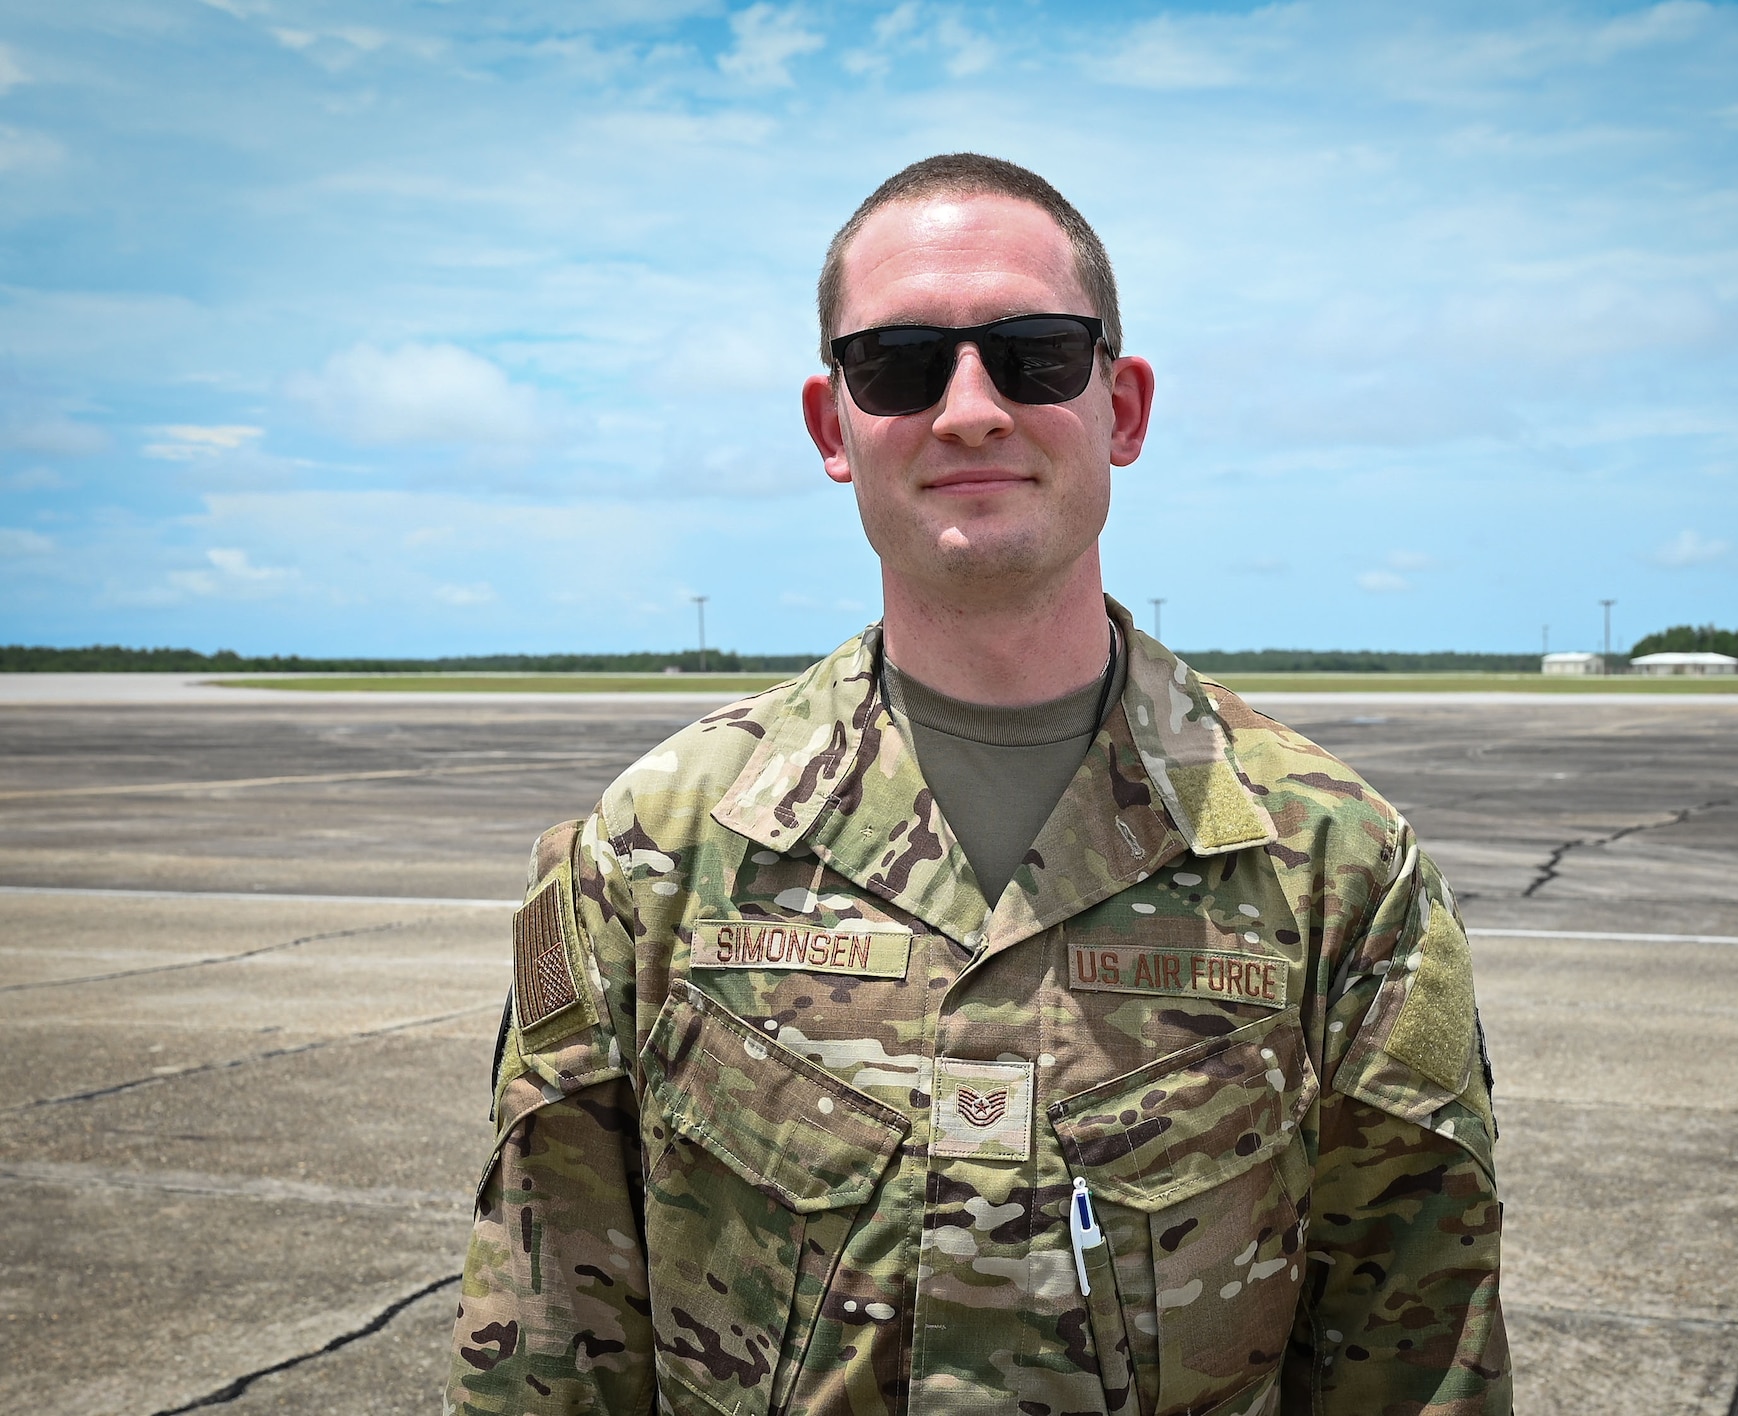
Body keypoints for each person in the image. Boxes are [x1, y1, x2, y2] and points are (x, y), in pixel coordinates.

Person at [447, 153, 1509, 1416]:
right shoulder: (646, 855)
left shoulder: (1335, 868)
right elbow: (552, 1345)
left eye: (1033, 353)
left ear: (1120, 408)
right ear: (831, 422)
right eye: (898, 362)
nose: (968, 410)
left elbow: (1415, 1358)